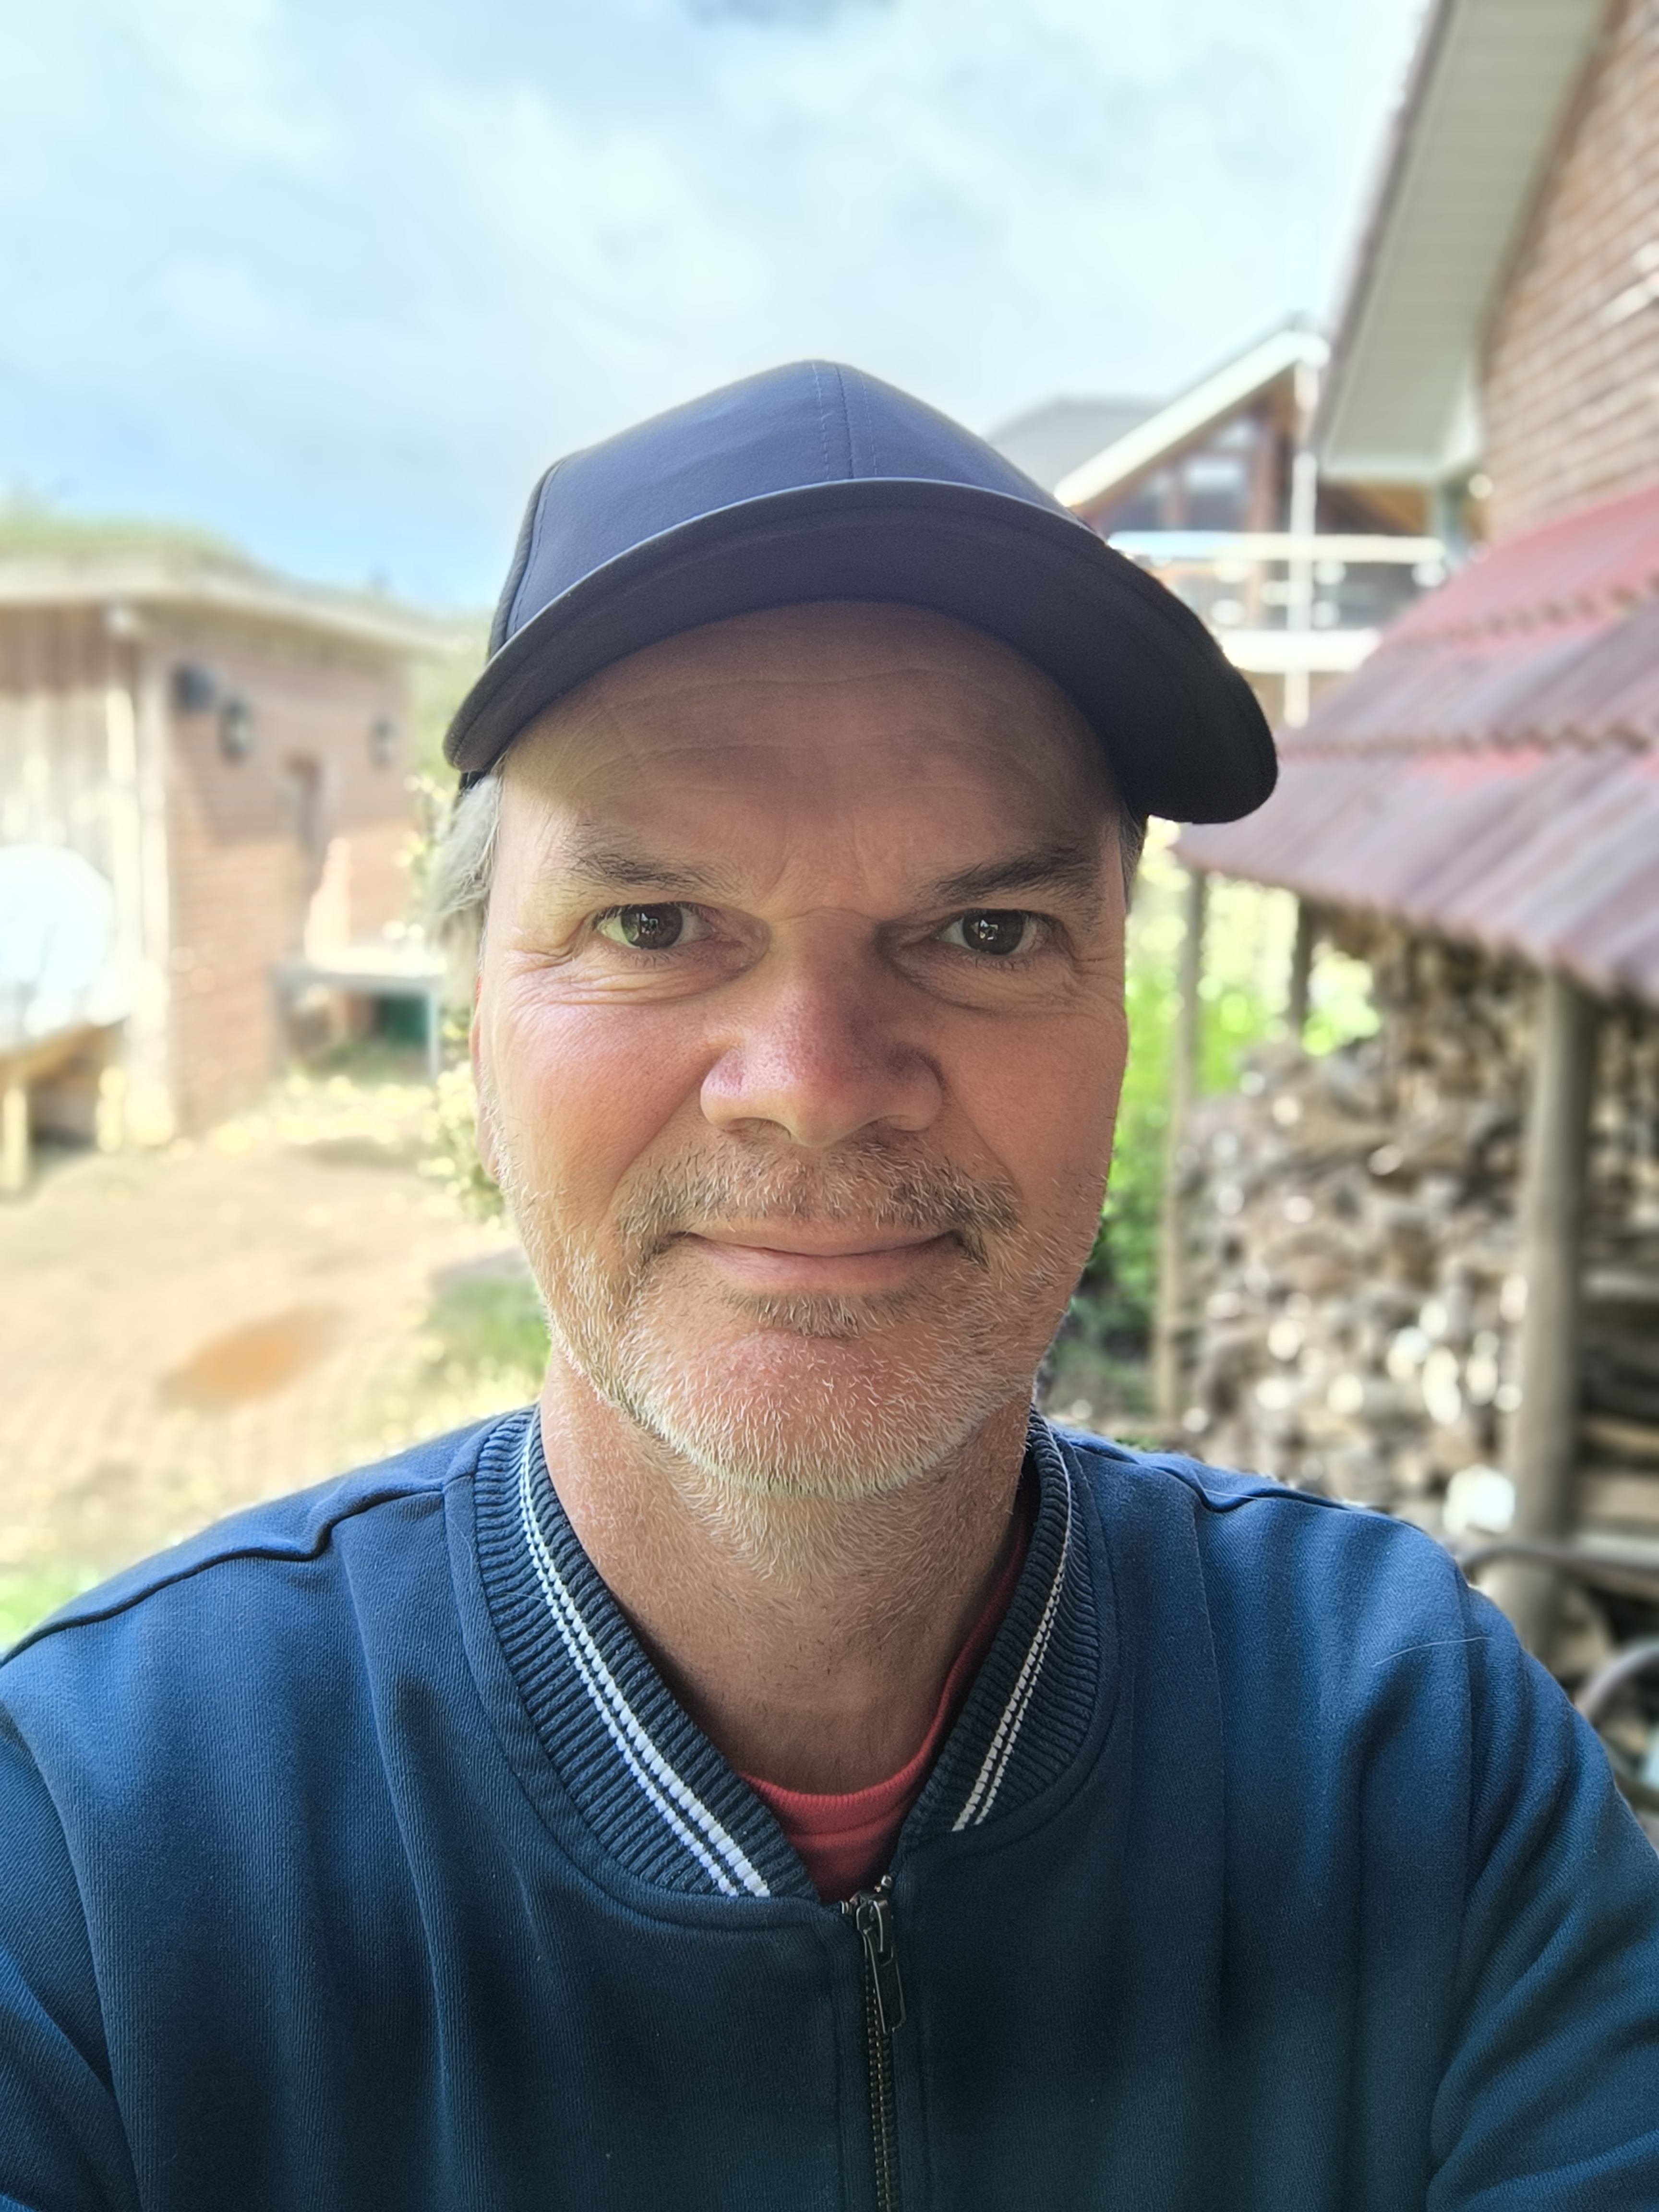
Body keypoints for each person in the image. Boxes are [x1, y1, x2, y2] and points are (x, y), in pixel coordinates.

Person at [2, 363, 1656, 2212]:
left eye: (986, 931)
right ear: (474, 1020)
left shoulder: (1408, 1750)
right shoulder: (93, 1849)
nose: (812, 1079)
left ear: (1117, 1009)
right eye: (651, 925)